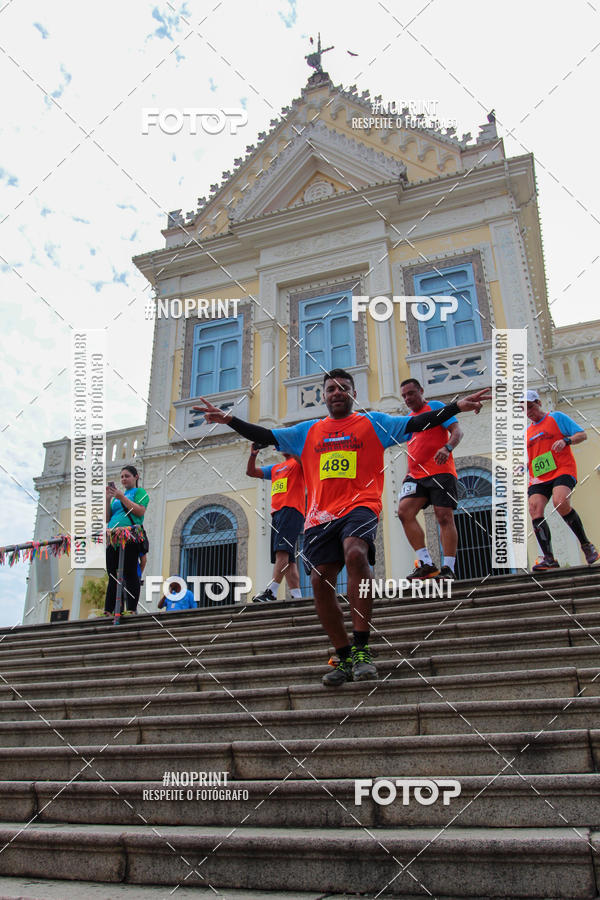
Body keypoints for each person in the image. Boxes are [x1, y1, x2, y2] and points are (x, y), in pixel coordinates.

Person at [194, 371, 491, 687]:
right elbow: (265, 434)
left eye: (343, 388)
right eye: (331, 389)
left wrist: (456, 406)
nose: (337, 392)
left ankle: (362, 648)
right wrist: (229, 420)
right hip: (320, 517)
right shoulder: (308, 431)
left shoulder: (374, 423)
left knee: (355, 553)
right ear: (323, 396)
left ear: (353, 393)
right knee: (319, 581)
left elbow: (420, 422)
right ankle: (344, 654)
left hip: (361, 506)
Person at [397, 378, 462, 581]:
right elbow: (412, 449)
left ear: (421, 391)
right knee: (404, 512)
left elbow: (457, 431)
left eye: (411, 393)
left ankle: (448, 568)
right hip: (416, 475)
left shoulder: (434, 407)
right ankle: (426, 564)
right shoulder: (409, 420)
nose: (408, 398)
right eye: (404, 395)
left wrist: (447, 448)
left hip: (440, 471)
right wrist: (406, 475)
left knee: (444, 517)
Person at [526, 389, 598, 570]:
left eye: (531, 407)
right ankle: (549, 558)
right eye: (524, 409)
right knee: (534, 509)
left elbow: (582, 434)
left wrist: (566, 441)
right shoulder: (527, 432)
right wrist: (523, 467)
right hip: (539, 477)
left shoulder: (556, 417)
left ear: (539, 403)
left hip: (562, 470)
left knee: (560, 502)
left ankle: (586, 546)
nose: (528, 412)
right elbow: (532, 457)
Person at [246, 444, 305, 602]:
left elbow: (305, 460)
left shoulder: (298, 462)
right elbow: (251, 472)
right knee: (289, 559)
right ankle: (297, 596)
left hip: (291, 510)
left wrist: (290, 443)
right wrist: (253, 455)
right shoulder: (275, 468)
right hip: (277, 513)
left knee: (282, 552)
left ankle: (271, 591)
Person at [104, 465, 149, 616]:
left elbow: (140, 511)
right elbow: (107, 518)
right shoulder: (116, 498)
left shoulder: (139, 492)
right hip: (113, 537)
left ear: (136, 477)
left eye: (127, 476)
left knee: (130, 572)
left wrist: (121, 497)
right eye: (122, 476)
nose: (124, 479)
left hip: (129, 536)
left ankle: (131, 608)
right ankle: (109, 610)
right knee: (112, 574)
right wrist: (108, 499)